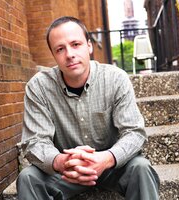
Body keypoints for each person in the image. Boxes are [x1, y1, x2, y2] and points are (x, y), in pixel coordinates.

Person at [17, 16, 160, 200]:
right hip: (66, 172)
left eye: (76, 44)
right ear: (54, 55)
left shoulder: (116, 79)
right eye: (60, 49)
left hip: (112, 166)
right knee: (28, 178)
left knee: (141, 168)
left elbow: (134, 133)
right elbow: (35, 142)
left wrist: (106, 159)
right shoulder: (38, 87)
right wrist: (63, 161)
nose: (69, 54)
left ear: (89, 46)